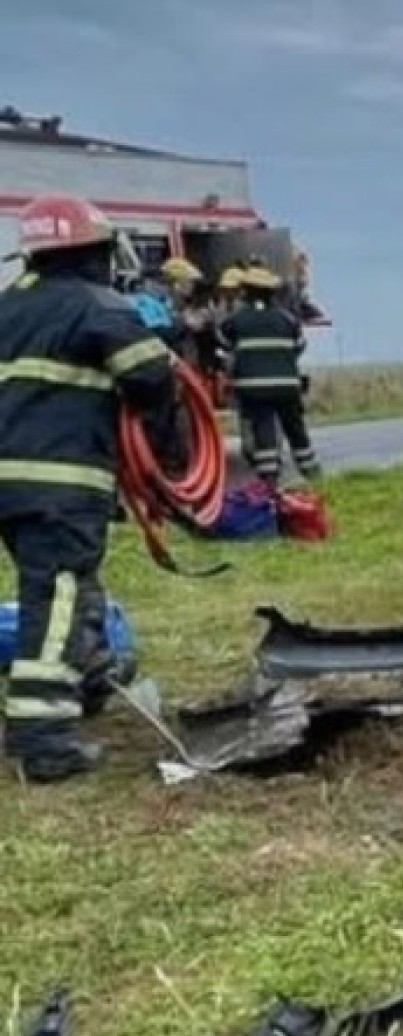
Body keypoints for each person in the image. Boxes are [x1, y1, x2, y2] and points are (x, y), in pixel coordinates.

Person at [0, 195, 176, 782]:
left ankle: (92, 678)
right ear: (93, 251)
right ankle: (43, 739)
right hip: (58, 483)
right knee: (55, 599)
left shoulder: (5, 306)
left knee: (71, 588)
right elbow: (152, 375)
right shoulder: (96, 305)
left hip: (10, 482)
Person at [221, 267, 320, 485]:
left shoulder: (236, 320)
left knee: (263, 430)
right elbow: (299, 346)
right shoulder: (288, 320)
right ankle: (312, 473)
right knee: (295, 429)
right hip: (287, 387)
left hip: (253, 388)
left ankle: (269, 480)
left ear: (245, 291)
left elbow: (225, 346)